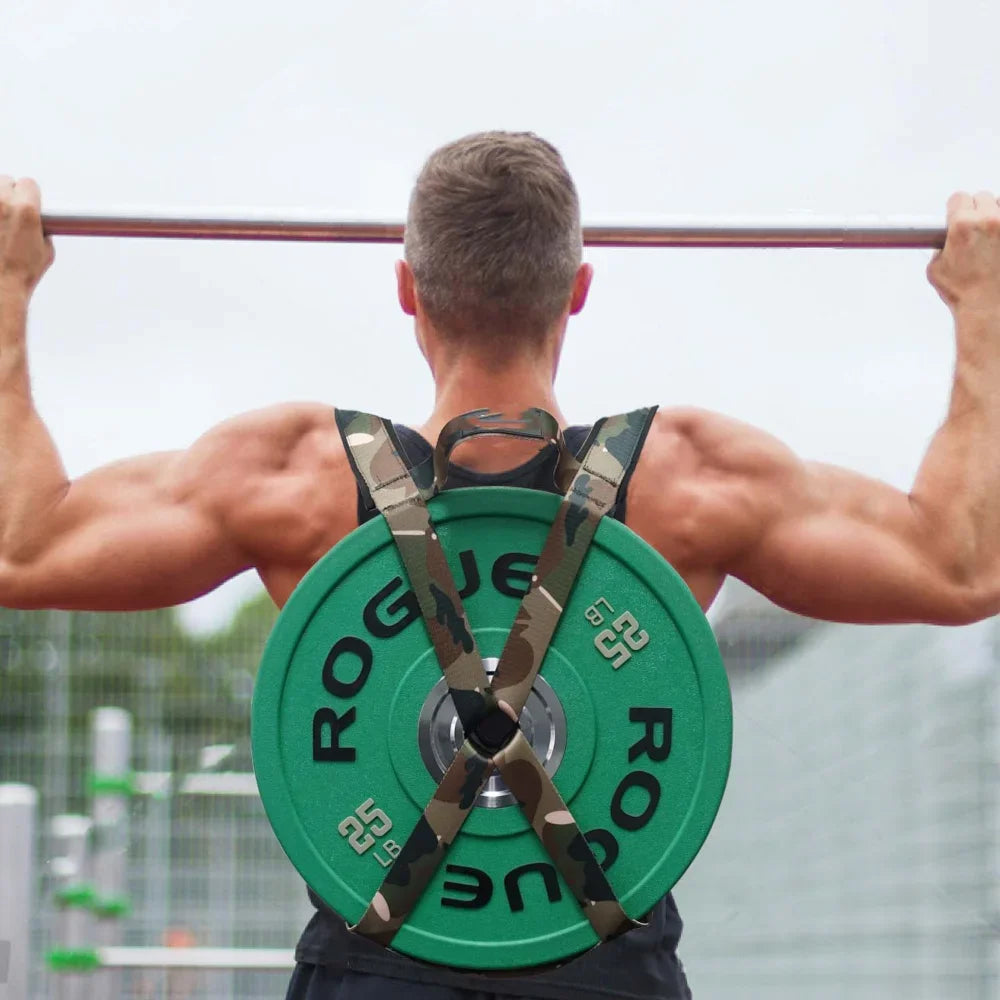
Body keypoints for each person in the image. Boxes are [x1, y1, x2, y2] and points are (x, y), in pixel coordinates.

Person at [0, 132, 998, 999]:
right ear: (577, 289)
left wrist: (7, 290)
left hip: (371, 970)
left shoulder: (291, 476)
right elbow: (957, 564)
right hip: (605, 971)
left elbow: (23, 543)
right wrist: (980, 309)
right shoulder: (688, 481)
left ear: (407, 287)